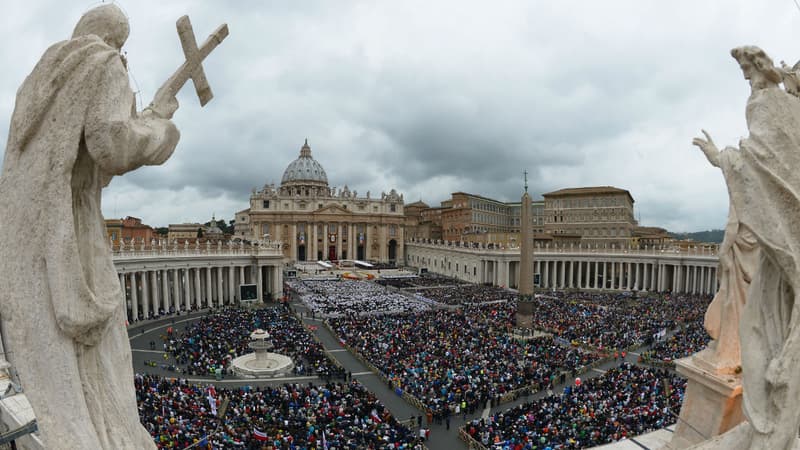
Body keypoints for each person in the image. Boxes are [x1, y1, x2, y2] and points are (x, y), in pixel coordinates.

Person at [0, 5, 179, 449]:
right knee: (106, 355)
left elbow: (85, 160)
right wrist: (160, 126)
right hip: (74, 227)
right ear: (117, 41)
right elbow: (111, 145)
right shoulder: (104, 63)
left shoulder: (39, 83)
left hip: (33, 230)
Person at [692, 45, 800, 449]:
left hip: (785, 257)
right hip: (780, 256)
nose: (744, 78)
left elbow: (760, 171)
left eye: (747, 70)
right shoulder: (778, 111)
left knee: (760, 334)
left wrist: (723, 157)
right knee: (758, 331)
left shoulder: (773, 109)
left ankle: (772, 430)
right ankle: (771, 426)